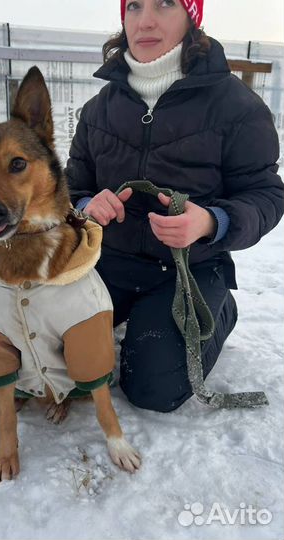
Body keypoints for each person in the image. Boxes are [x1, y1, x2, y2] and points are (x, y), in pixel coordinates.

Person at [65, 0, 284, 412]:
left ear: (191, 15)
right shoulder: (100, 108)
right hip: (108, 260)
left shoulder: (236, 107)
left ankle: (220, 311)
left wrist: (211, 222)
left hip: (190, 268)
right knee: (56, 354)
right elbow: (71, 187)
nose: (145, 20)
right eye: (134, 6)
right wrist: (87, 204)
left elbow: (266, 195)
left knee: (154, 388)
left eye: (165, 4)